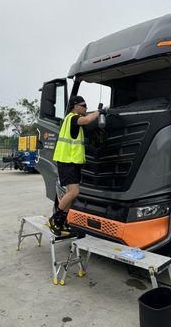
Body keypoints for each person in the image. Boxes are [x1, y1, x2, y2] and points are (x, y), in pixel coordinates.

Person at [47, 95, 104, 236]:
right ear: (75, 106)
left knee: (70, 194)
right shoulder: (73, 118)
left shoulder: (69, 120)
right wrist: (100, 112)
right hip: (67, 162)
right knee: (74, 192)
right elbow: (86, 120)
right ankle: (55, 220)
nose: (86, 108)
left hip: (69, 162)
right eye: (83, 105)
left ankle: (63, 222)